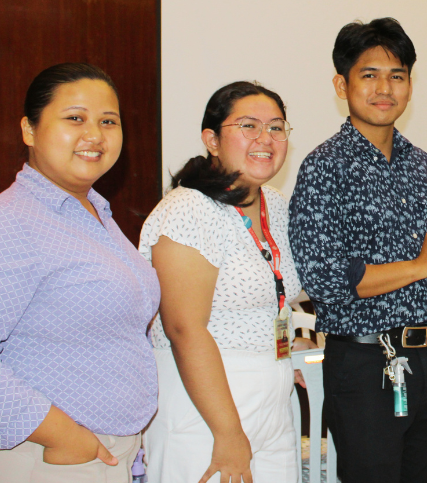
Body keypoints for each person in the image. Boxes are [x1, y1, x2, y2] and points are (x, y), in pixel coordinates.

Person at [289, 18, 427, 483]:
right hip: (365, 367)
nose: (385, 88)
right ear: (342, 84)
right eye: (370, 75)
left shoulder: (422, 164)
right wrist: (422, 264)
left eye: (397, 76)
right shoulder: (323, 167)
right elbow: (329, 281)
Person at [0, 63, 160, 482]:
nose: (95, 135)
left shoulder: (96, 213)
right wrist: (61, 436)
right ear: (29, 130)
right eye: (75, 118)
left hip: (111, 451)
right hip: (52, 457)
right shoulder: (13, 221)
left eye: (109, 121)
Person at [139, 81, 303, 483]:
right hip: (207, 409)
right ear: (211, 139)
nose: (266, 139)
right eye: (248, 126)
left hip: (273, 400)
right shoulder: (188, 209)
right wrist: (227, 432)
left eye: (277, 127)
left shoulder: (275, 205)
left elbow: (272, 293)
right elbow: (184, 328)